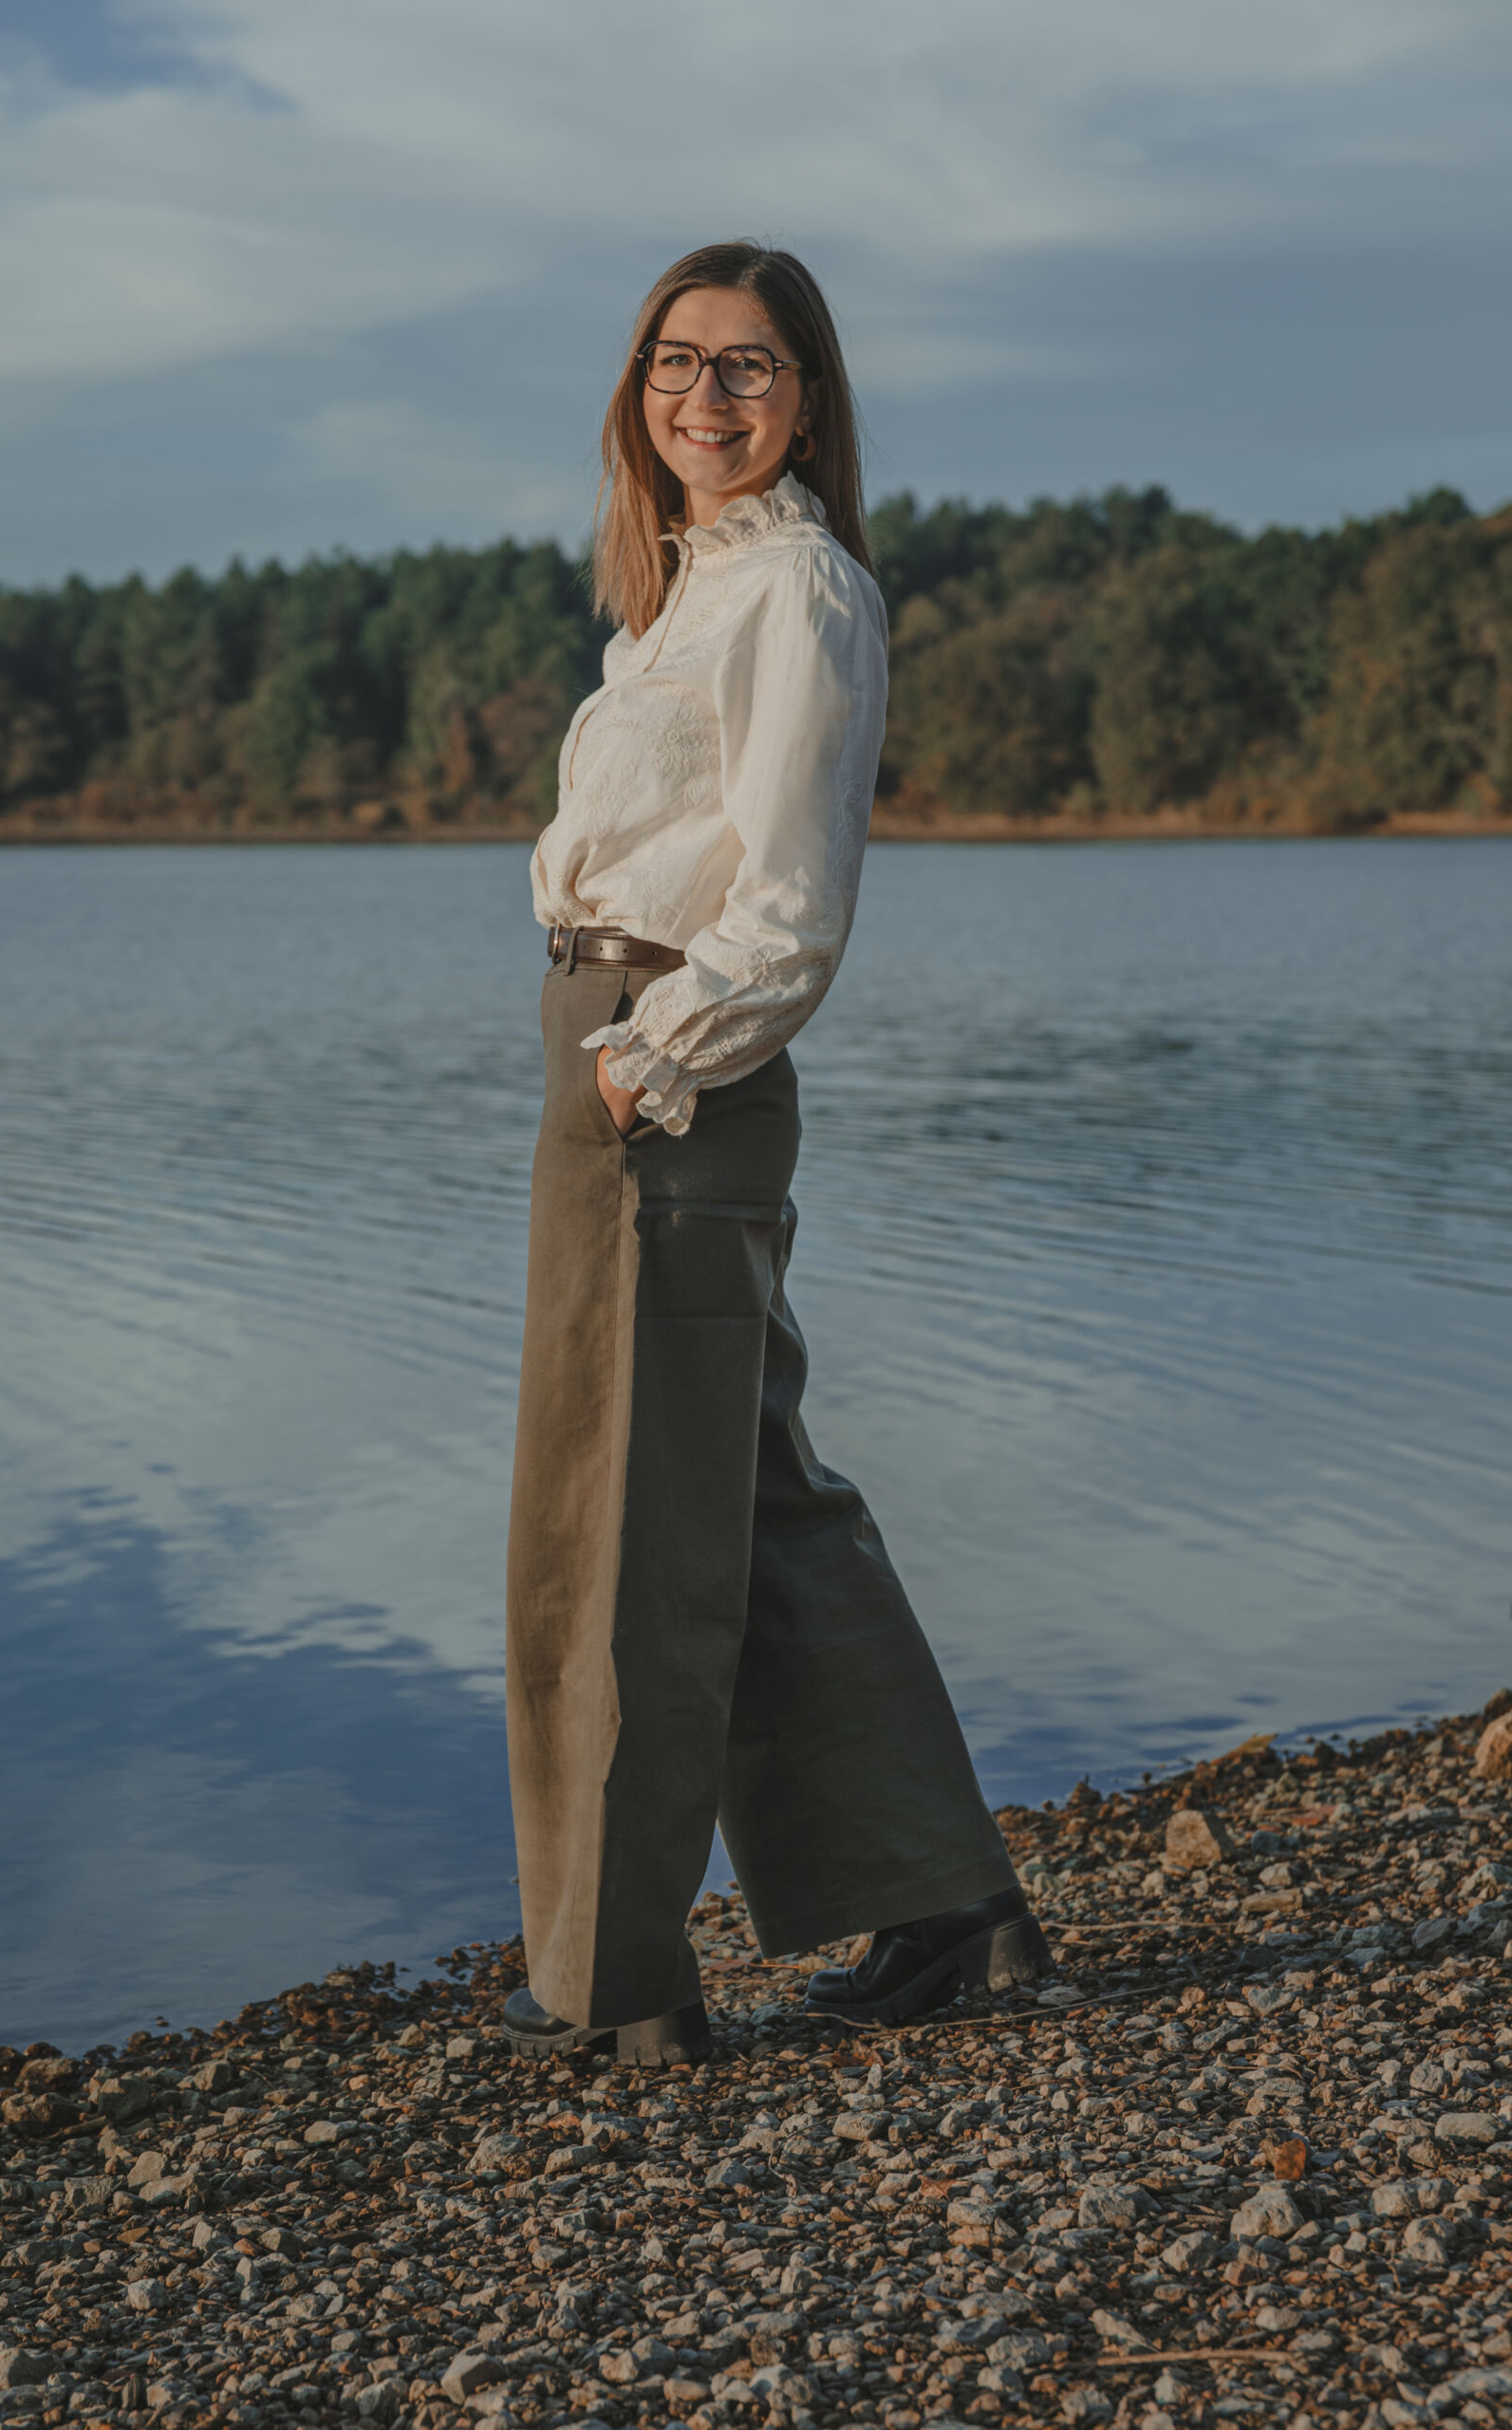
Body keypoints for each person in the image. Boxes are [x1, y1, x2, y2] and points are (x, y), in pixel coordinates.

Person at [502, 240, 1051, 2065]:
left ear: (806, 396)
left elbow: (794, 905)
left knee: (630, 1528)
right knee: (756, 1502)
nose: (706, 401)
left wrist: (647, 1069)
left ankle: (623, 1990)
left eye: (747, 369)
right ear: (635, 392)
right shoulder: (681, 597)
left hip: (671, 1061)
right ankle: (953, 1912)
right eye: (677, 364)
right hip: (623, 1048)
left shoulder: (801, 588)